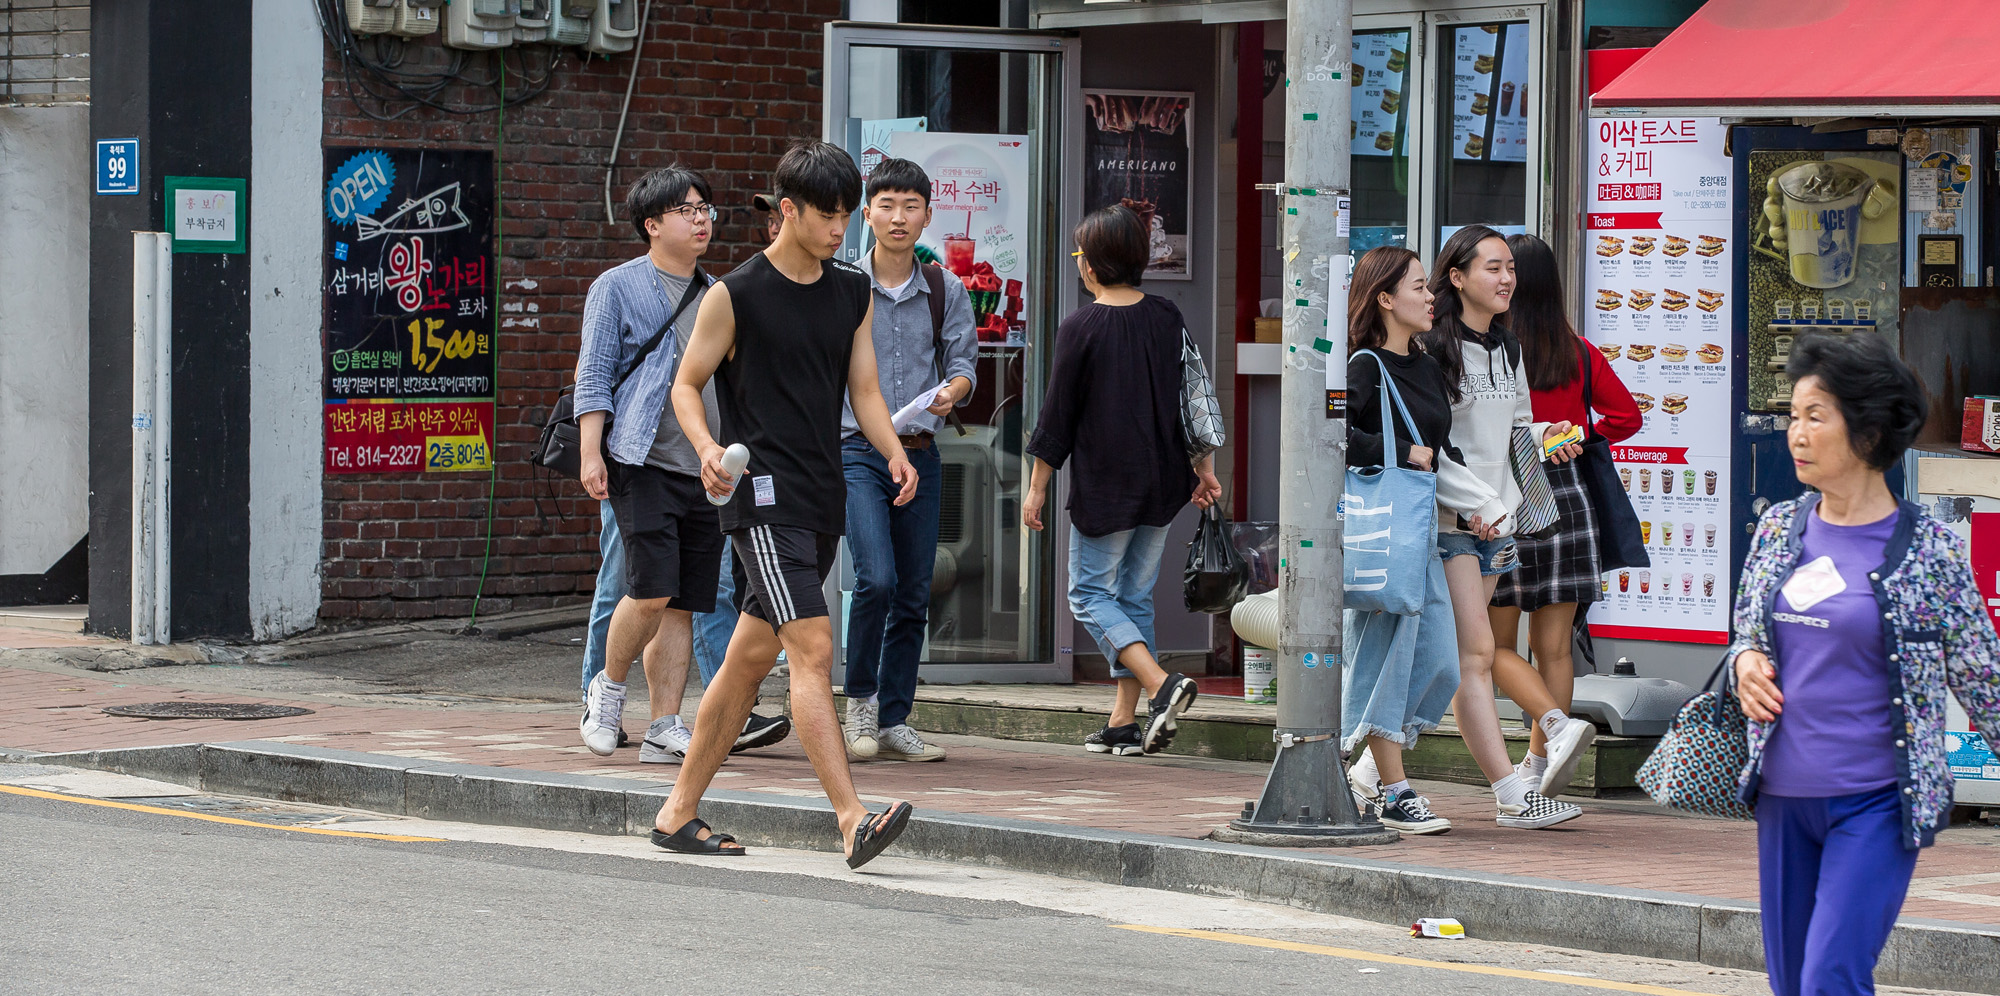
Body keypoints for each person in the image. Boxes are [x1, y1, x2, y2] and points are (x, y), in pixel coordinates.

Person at [652, 141, 917, 868]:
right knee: (814, 648)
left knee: (744, 665)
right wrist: (707, 447)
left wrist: (892, 449)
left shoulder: (850, 291)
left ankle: (677, 814)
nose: (841, 229)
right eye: (827, 216)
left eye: (846, 216)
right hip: (761, 502)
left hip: (820, 498)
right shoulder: (734, 294)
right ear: (788, 211)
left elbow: (862, 389)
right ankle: (852, 816)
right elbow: (686, 384)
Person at [1731, 333, 2000, 996]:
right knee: (1793, 985)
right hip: (1783, 800)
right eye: (1793, 415)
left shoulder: (1929, 548)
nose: (1796, 432)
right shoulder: (1777, 529)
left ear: (1870, 430)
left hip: (1877, 803)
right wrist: (1744, 664)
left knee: (1830, 978)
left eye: (1815, 416)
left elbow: (1983, 678)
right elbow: (1746, 632)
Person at [1350, 225, 1593, 831]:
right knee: (1471, 654)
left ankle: (1365, 774)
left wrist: (1542, 445)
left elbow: (1505, 431)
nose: (1507, 278)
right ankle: (1509, 788)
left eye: (1511, 267)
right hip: (1437, 523)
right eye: (1492, 267)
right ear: (1455, 276)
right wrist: (1422, 466)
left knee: (1452, 660)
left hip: (1491, 520)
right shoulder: (1423, 351)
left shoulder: (1505, 347)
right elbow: (1394, 444)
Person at [1022, 204, 1218, 758]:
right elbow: (1193, 399)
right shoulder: (1166, 315)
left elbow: (1056, 415)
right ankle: (1124, 722)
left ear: (1093, 265)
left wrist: (1037, 486)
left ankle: (1161, 687)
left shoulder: (1080, 326)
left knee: (1088, 594)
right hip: (1163, 481)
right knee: (1133, 597)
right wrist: (1203, 468)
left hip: (1107, 486)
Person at [1339, 246, 1505, 834]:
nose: (1431, 297)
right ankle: (1393, 786)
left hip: (1425, 534)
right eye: (1418, 287)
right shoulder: (1361, 366)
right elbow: (1327, 436)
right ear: (1385, 299)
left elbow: (1444, 452)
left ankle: (1353, 759)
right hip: (1383, 537)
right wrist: (1397, 452)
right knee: (1388, 657)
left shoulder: (1428, 364)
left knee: (1438, 663)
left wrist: (1479, 508)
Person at [573, 165, 728, 762]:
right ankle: (606, 691)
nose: (700, 220)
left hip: (705, 466)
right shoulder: (615, 286)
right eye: (687, 210)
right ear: (652, 224)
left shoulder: (717, 292)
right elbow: (593, 375)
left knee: (684, 600)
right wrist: (592, 454)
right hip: (639, 458)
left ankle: (665, 724)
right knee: (648, 590)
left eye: (705, 209)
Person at [1490, 233, 1642, 797]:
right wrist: (1579, 436)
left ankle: (1547, 741)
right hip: (1568, 500)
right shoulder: (1576, 349)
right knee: (1553, 646)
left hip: (1504, 497)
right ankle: (1540, 763)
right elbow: (1626, 417)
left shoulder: (1495, 349)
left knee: (1493, 647)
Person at [839, 158, 978, 763]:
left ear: (927, 214)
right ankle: (860, 704)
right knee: (876, 579)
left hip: (922, 451)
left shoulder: (945, 288)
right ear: (866, 212)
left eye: (911, 206)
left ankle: (896, 716)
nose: (899, 217)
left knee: (915, 590)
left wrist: (955, 391)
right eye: (887, 205)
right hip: (855, 452)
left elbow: (965, 365)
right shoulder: (841, 285)